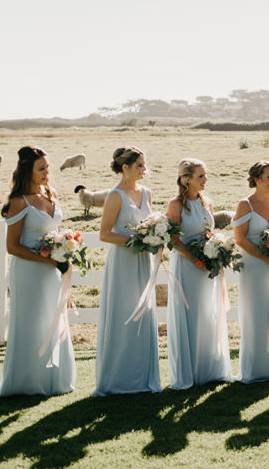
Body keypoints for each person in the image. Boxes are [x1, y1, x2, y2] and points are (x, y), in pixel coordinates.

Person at [0, 146, 76, 398]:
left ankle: (54, 379)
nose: (47, 172)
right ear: (28, 170)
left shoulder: (50, 195)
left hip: (52, 271)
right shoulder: (18, 202)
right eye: (41, 168)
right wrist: (46, 258)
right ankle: (27, 380)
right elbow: (12, 246)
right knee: (31, 322)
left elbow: (53, 229)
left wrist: (64, 248)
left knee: (52, 319)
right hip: (29, 271)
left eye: (48, 167)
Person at [94, 146, 162, 396]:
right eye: (139, 165)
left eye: (144, 165)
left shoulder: (146, 194)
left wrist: (155, 237)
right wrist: (137, 242)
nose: (144, 170)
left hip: (144, 262)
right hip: (123, 262)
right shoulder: (115, 196)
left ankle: (143, 378)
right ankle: (118, 379)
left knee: (144, 313)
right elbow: (105, 234)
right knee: (124, 313)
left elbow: (150, 223)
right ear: (125, 167)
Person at [165, 158, 233, 389]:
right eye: (200, 176)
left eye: (205, 175)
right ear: (186, 179)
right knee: (190, 314)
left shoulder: (207, 203)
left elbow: (210, 232)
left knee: (207, 313)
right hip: (186, 266)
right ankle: (189, 371)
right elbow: (174, 240)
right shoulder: (175, 205)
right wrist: (195, 259)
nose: (205, 180)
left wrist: (216, 250)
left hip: (208, 266)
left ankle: (209, 368)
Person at [231, 161, 269, 383]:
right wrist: (265, 256)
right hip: (255, 268)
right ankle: (256, 368)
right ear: (256, 179)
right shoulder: (245, 205)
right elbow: (240, 239)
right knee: (257, 314)